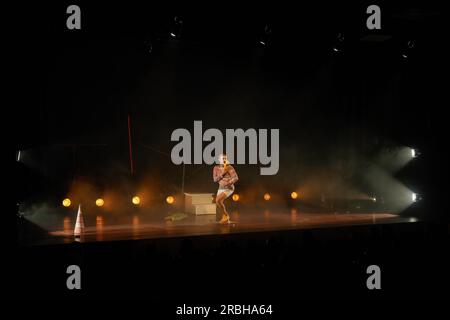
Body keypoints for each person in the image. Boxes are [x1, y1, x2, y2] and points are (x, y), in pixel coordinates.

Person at [213, 154, 238, 224]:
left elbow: (236, 178)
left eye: (225, 158)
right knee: (218, 202)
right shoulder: (215, 168)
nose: (224, 160)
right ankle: (225, 217)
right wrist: (222, 174)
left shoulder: (229, 167)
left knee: (217, 200)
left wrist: (229, 182)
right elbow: (215, 179)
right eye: (222, 158)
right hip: (221, 188)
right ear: (219, 159)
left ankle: (226, 216)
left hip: (228, 188)